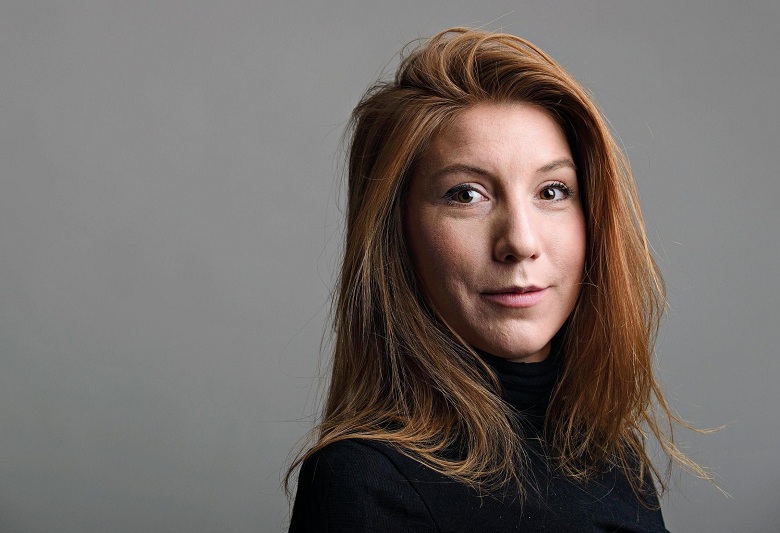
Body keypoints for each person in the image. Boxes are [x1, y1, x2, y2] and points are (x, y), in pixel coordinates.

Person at [286, 27, 708, 532]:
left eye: (552, 191)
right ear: (397, 234)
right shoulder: (364, 484)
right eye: (466, 194)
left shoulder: (614, 458)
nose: (520, 241)